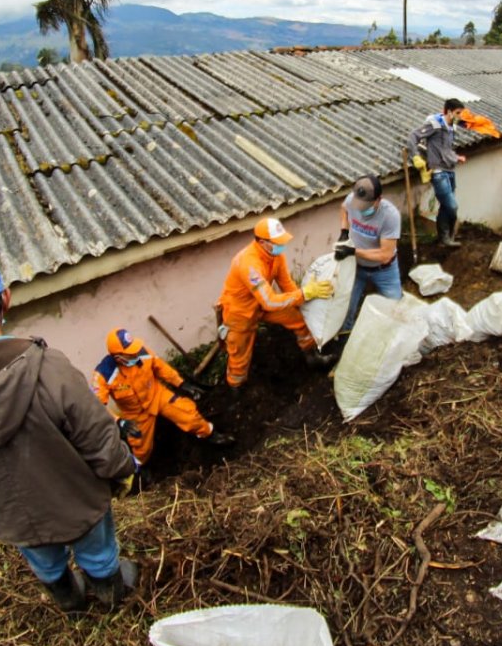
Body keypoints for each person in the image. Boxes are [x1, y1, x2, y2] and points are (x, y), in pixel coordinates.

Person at [0, 252, 138, 614]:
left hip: (4, 506)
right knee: (98, 553)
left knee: (44, 561)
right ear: (5, 299)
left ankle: (72, 605)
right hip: (75, 498)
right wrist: (122, 468)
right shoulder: (46, 367)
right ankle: (110, 599)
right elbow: (99, 439)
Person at [217, 217, 334, 388]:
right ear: (262, 243)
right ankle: (237, 388)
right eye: (277, 242)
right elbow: (270, 302)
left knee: (299, 319)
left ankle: (312, 358)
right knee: (239, 356)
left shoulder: (276, 256)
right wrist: (304, 293)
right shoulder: (248, 263)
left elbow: (287, 285)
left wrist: (304, 302)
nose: (282, 245)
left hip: (263, 304)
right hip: (240, 313)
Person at [92, 328, 234, 464]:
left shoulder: (142, 352)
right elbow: (97, 405)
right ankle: (139, 467)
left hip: (157, 395)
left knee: (188, 414)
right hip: (136, 412)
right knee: (140, 446)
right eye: (130, 353)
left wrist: (181, 383)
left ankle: (210, 434)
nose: (135, 354)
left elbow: (161, 367)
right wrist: (118, 421)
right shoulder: (103, 375)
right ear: (118, 357)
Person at [334, 174, 402, 334]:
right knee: (346, 308)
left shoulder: (390, 216)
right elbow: (343, 208)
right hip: (356, 267)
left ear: (379, 200)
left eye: (366, 206)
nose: (361, 209)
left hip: (384, 271)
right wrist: (344, 231)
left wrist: (352, 251)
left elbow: (385, 255)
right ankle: (345, 336)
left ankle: (389, 338)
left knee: (395, 310)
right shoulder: (352, 199)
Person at [408, 98, 467, 248]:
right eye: (458, 113)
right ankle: (447, 238)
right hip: (438, 172)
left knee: (445, 206)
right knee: (452, 207)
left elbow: (445, 150)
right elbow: (413, 136)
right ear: (449, 112)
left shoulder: (452, 128)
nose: (460, 116)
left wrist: (456, 157)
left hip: (450, 170)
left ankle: (445, 239)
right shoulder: (435, 125)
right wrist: (415, 156)